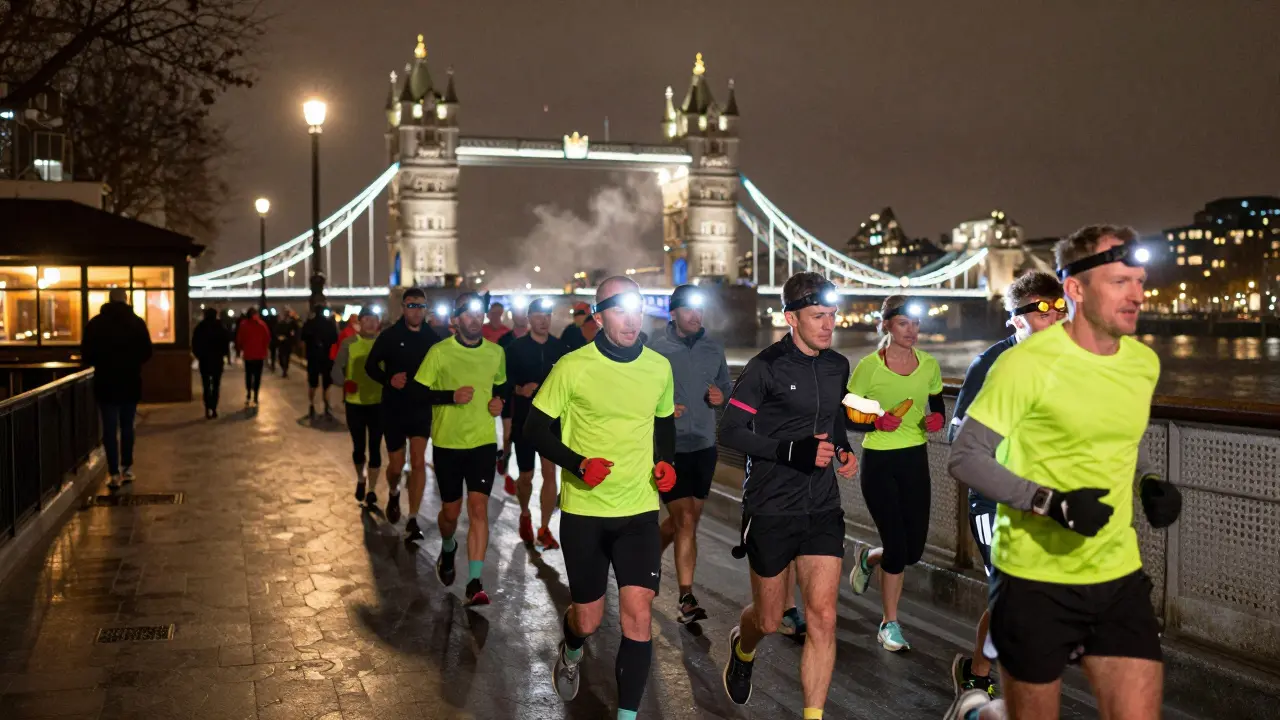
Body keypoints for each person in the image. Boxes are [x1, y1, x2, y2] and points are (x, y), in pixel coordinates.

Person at [946, 225, 1182, 720]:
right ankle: (984, 711)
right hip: (1034, 577)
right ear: (1074, 288)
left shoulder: (1142, 364)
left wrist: (1149, 481)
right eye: (1119, 281)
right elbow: (964, 455)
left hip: (1118, 574)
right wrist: (1049, 502)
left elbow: (1117, 439)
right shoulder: (1020, 365)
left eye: (1138, 280)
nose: (1137, 293)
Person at [526, 276, 675, 720]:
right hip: (585, 513)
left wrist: (666, 462)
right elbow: (534, 430)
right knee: (587, 619)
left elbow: (663, 423)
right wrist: (577, 464)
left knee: (638, 614)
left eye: (636, 310)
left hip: (639, 510)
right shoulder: (572, 366)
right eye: (619, 311)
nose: (631, 320)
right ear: (599, 316)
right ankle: (571, 646)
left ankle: (626, 716)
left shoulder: (658, 367)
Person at [717, 271, 857, 717]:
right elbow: (731, 430)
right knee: (770, 620)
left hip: (821, 505)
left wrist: (842, 448)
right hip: (771, 505)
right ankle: (743, 648)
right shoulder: (764, 367)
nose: (828, 325)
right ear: (790, 318)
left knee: (823, 617)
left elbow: (833, 415)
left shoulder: (836, 365)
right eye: (818, 316)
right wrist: (789, 450)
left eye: (832, 316)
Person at [946, 270, 1066, 701]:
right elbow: (956, 440)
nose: (1056, 321)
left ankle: (977, 671)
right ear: (1016, 320)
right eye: (1043, 312)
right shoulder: (991, 365)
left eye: (1060, 311)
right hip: (994, 499)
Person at [843, 295, 945, 653]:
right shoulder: (869, 367)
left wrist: (938, 420)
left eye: (916, 324)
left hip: (915, 458)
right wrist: (875, 419)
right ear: (887, 325)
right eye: (904, 324)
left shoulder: (929, 364)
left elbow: (937, 404)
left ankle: (868, 558)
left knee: (913, 550)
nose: (912, 331)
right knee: (898, 547)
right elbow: (847, 414)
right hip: (879, 461)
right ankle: (889, 623)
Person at [413, 291, 508, 606]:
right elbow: (415, 394)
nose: (475, 319)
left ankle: (475, 581)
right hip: (448, 444)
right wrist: (448, 396)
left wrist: (500, 401)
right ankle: (449, 544)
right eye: (468, 314)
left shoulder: (495, 353)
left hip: (482, 443)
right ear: (456, 319)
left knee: (479, 509)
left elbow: (501, 385)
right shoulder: (439, 353)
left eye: (479, 313)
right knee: (450, 513)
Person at [646, 284, 732, 624]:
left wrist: (719, 396)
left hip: (705, 447)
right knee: (684, 521)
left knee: (688, 522)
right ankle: (686, 597)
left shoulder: (713, 346)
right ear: (674, 313)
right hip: (670, 448)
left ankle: (645, 559)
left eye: (700, 310)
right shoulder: (654, 347)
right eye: (689, 311)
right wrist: (661, 407)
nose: (696, 316)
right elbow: (640, 390)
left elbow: (725, 384)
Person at [365, 288, 439, 526]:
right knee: (396, 465)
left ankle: (414, 518)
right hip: (394, 409)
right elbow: (370, 366)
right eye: (411, 305)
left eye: (420, 306)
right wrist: (389, 379)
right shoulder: (389, 336)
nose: (416, 311)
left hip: (421, 409)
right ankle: (394, 492)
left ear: (426, 309)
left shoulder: (434, 339)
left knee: (418, 462)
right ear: (403, 308)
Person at [501, 296, 567, 548]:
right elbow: (502, 383)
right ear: (529, 319)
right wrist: (519, 389)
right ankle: (525, 513)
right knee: (526, 476)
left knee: (551, 473)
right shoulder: (515, 349)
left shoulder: (561, 350)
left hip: (551, 423)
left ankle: (544, 528)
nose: (543, 320)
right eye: (538, 316)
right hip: (524, 421)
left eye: (547, 315)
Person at [82, 288, 153, 491]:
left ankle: (113, 473)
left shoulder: (96, 324)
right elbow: (147, 351)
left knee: (109, 428)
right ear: (126, 300)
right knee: (128, 426)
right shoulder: (136, 323)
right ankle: (127, 468)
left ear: (109, 300)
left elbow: (86, 353)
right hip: (130, 381)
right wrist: (133, 362)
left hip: (105, 383)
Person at [333, 307, 385, 509]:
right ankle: (360, 479)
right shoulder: (349, 343)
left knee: (375, 447)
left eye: (374, 319)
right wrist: (345, 382)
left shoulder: (384, 344)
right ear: (359, 323)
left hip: (379, 403)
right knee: (358, 448)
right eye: (367, 319)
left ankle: (371, 490)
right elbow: (336, 370)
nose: (371, 323)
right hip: (355, 404)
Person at [301, 305, 339, 419]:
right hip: (326, 358)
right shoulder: (329, 324)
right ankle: (326, 406)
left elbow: (302, 340)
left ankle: (311, 405)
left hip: (313, 357)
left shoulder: (308, 324)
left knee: (312, 383)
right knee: (326, 383)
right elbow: (335, 340)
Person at [192, 308, 230, 419]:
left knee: (206, 385)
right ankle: (214, 408)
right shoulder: (220, 327)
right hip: (217, 360)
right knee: (216, 384)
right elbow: (225, 343)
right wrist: (223, 354)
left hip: (204, 360)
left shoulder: (200, 327)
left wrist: (199, 355)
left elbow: (195, 343)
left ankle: (207, 407)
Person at [236, 307, 271, 408]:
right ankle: (255, 394)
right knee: (257, 376)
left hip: (248, 355)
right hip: (259, 355)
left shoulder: (243, 325)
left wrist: (242, 348)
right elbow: (267, 338)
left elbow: (240, 339)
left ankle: (248, 393)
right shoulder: (262, 325)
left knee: (248, 374)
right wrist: (264, 349)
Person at [275, 308, 301, 377]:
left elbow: (297, 330)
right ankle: (283, 367)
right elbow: (277, 331)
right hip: (281, 342)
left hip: (288, 341)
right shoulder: (281, 323)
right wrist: (278, 337)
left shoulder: (292, 323)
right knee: (281, 356)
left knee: (287, 356)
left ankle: (285, 369)